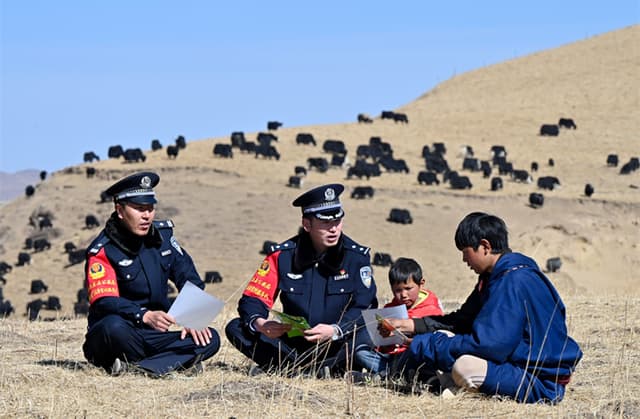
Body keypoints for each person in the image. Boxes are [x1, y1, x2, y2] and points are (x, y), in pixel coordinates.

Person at [383, 212, 583, 403]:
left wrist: (425, 344)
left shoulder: (512, 281)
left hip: (538, 380)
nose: (464, 260)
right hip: (516, 363)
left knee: (465, 367)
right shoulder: (494, 278)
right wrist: (411, 325)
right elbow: (461, 321)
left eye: (465, 252)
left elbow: (490, 346)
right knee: (446, 337)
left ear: (484, 246)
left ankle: (455, 385)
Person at [225, 183, 378, 377]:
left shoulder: (357, 257)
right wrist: (261, 323)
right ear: (307, 224)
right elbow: (253, 298)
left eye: (337, 221)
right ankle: (304, 369)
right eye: (325, 223)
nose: (333, 229)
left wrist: (335, 330)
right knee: (238, 327)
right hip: (295, 344)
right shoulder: (282, 256)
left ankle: (297, 368)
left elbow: (365, 306)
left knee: (369, 329)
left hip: (338, 342)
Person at [82, 171, 221, 377]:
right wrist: (143, 315)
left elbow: (190, 278)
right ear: (120, 210)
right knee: (111, 327)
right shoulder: (102, 250)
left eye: (150, 208)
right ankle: (175, 363)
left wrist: (193, 319)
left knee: (210, 338)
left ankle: (140, 367)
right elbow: (104, 300)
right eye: (139, 209)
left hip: (155, 335)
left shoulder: (163, 237)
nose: (146, 216)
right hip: (121, 333)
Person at [354, 257, 443, 381]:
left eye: (408, 289)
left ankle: (387, 375)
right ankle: (390, 374)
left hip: (412, 357)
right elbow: (383, 345)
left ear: (421, 284)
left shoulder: (431, 310)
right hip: (391, 357)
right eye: (397, 290)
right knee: (361, 352)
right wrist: (382, 340)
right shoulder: (390, 309)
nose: (403, 295)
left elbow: (434, 341)